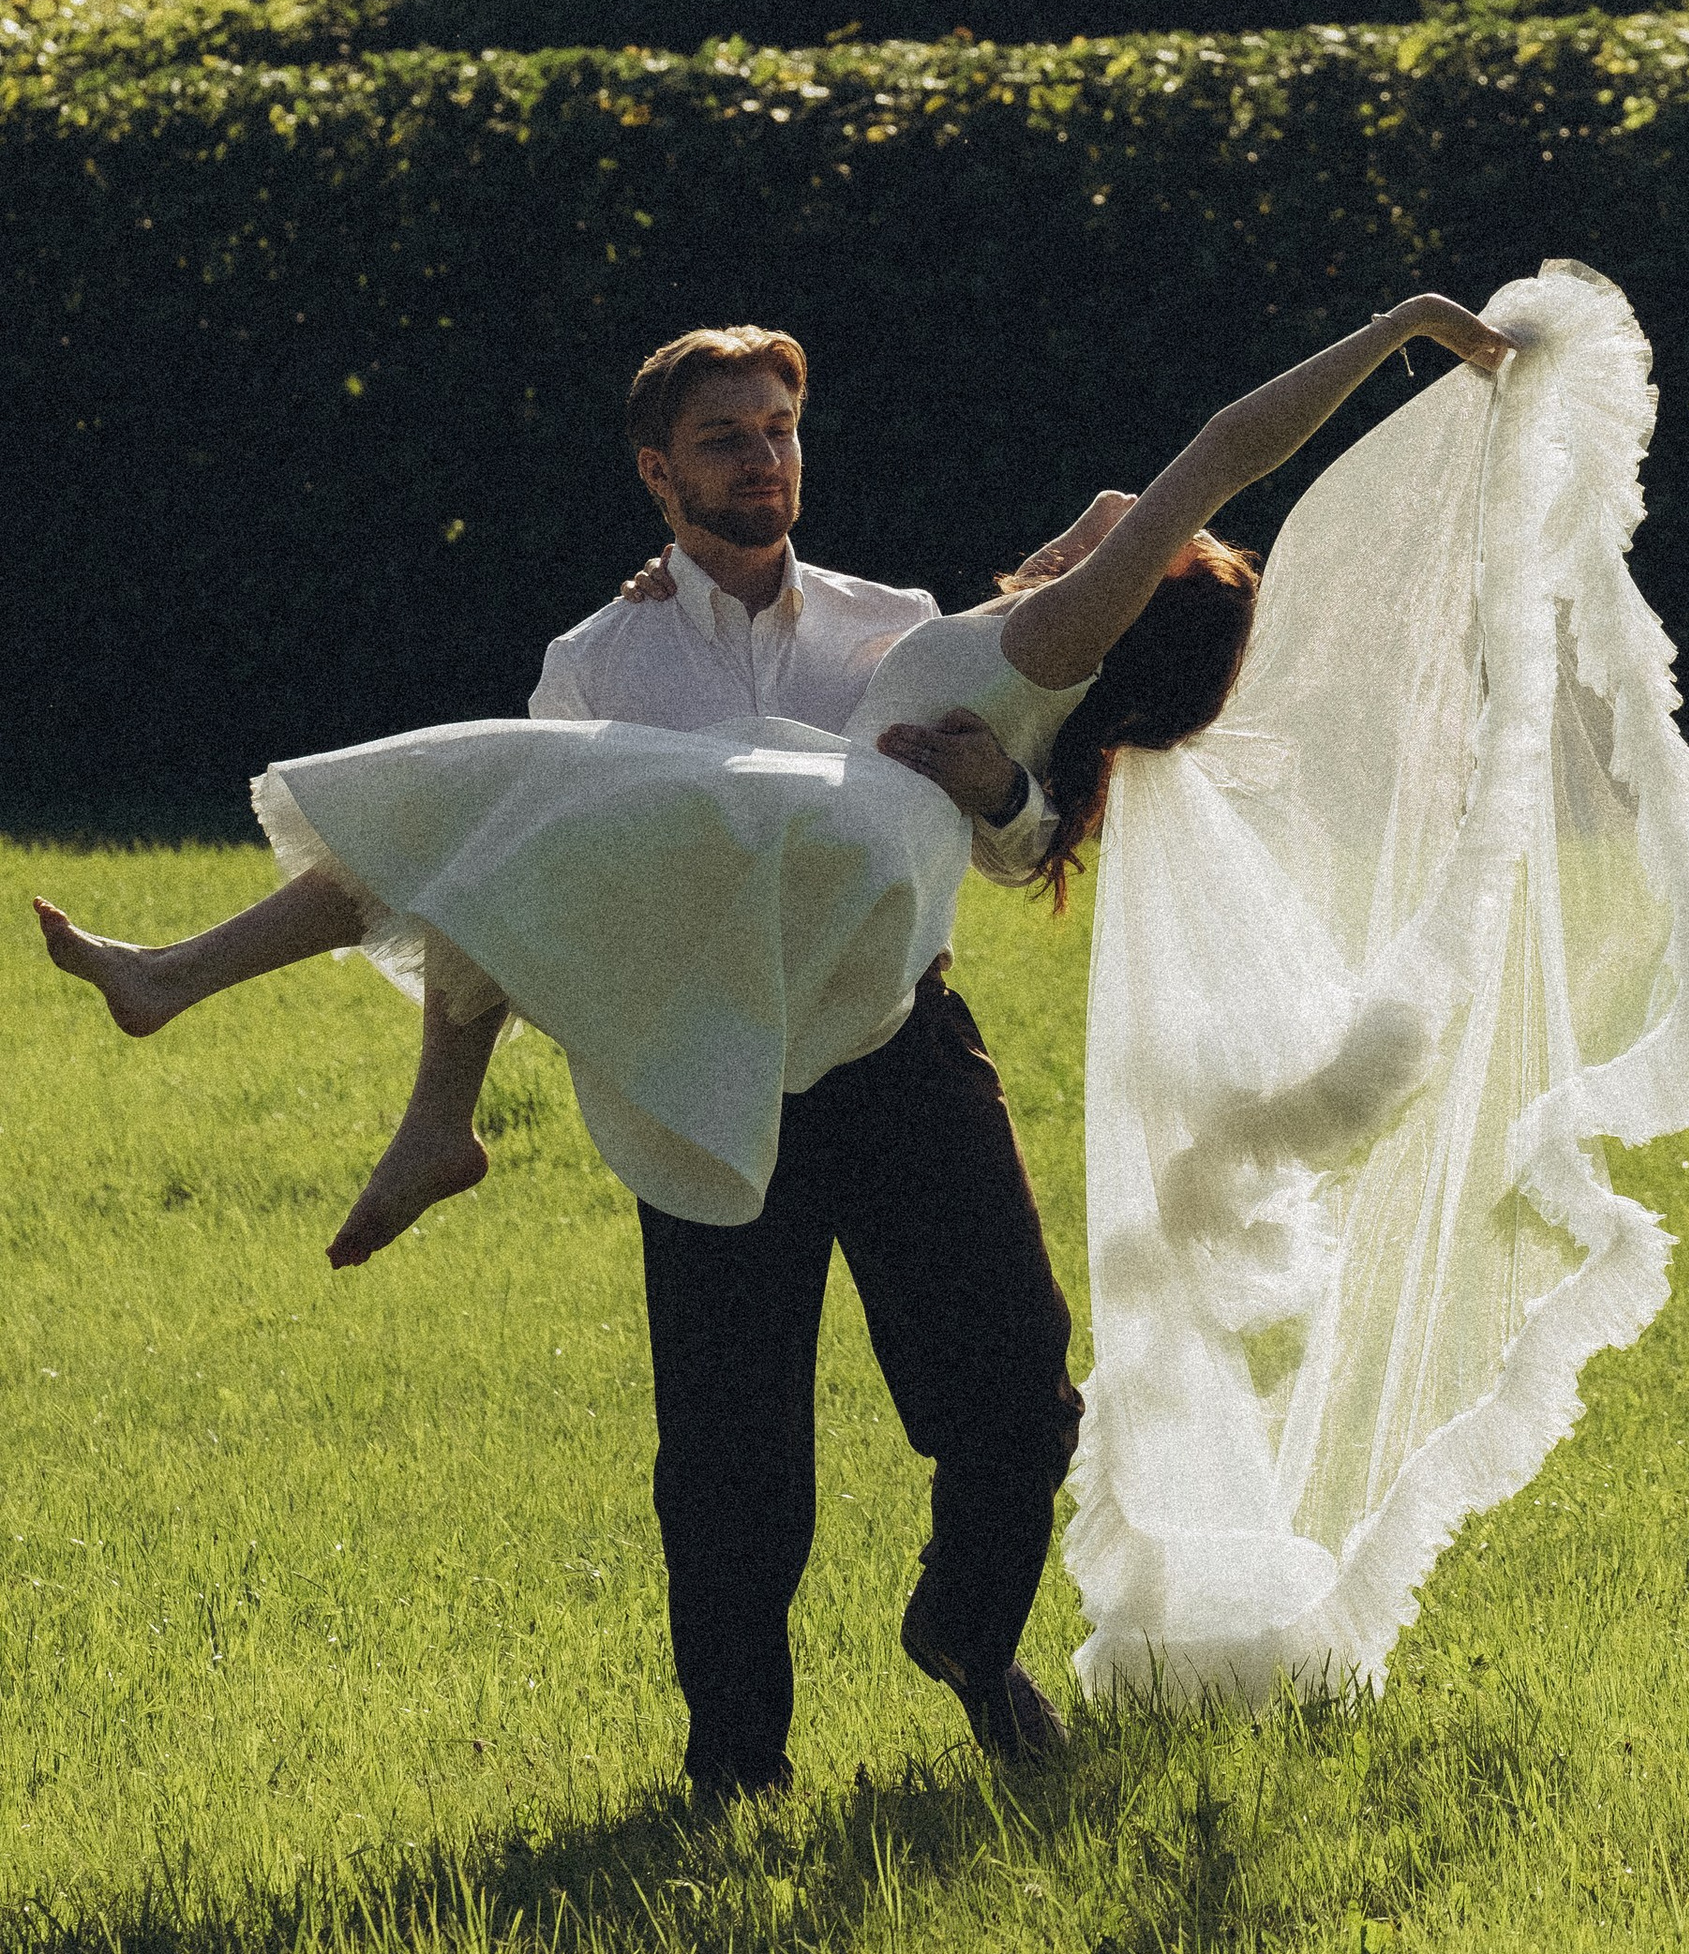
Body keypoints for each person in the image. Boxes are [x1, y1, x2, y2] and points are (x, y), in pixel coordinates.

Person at [36, 293, 1513, 1786]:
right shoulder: (595, 660)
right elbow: (548, 909)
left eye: (783, 432)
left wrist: (1005, 787)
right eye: (729, 440)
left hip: (895, 1049)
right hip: (709, 1062)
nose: (767, 460)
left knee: (1016, 1392)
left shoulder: (900, 624)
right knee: (732, 1459)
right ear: (657, 475)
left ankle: (968, 1637)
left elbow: (1044, 801)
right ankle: (735, 1765)